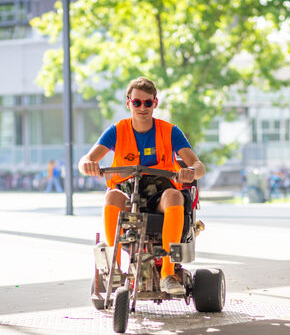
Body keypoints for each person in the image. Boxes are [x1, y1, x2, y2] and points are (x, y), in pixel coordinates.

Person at [78, 77, 205, 295]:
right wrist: (88, 165)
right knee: (111, 197)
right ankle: (115, 270)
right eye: (137, 102)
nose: (142, 108)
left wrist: (191, 171)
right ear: (129, 103)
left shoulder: (170, 131)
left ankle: (168, 272)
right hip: (128, 192)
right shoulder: (117, 131)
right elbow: (84, 161)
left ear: (155, 103)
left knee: (175, 196)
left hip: (159, 194)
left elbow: (199, 166)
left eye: (148, 103)